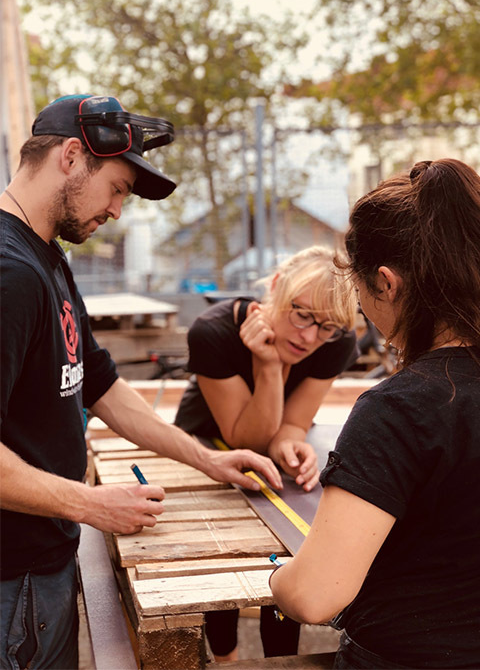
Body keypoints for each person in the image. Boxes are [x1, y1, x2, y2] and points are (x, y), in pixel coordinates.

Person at [0, 95, 280, 669]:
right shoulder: (10, 275)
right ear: (73, 157)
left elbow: (101, 386)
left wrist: (208, 460)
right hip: (11, 580)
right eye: (120, 188)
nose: (118, 211)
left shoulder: (47, 257)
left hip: (38, 570)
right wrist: (92, 504)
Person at [270, 159, 480, 669]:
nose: (364, 307)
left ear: (386, 283)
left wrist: (282, 575)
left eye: (360, 291)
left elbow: (313, 598)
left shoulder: (402, 408)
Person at [173, 245, 358, 661]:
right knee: (223, 566)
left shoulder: (336, 342)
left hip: (263, 446)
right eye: (302, 313)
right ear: (276, 287)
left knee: (284, 557)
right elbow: (244, 438)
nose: (310, 336)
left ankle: (280, 663)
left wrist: (293, 444)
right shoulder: (214, 331)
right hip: (205, 445)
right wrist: (269, 367)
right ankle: (226, 656)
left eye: (327, 326)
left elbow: (288, 427)